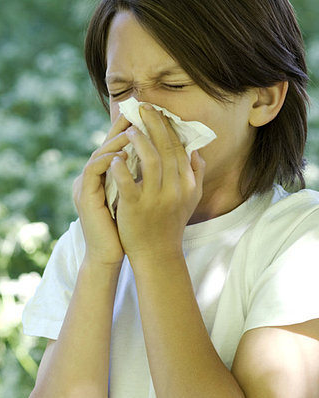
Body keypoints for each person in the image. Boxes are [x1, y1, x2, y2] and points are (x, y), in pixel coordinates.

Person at [22, 0, 319, 397]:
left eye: (173, 84)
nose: (142, 111)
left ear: (263, 99)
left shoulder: (300, 239)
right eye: (121, 90)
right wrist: (100, 261)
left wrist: (157, 253)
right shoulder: (89, 244)